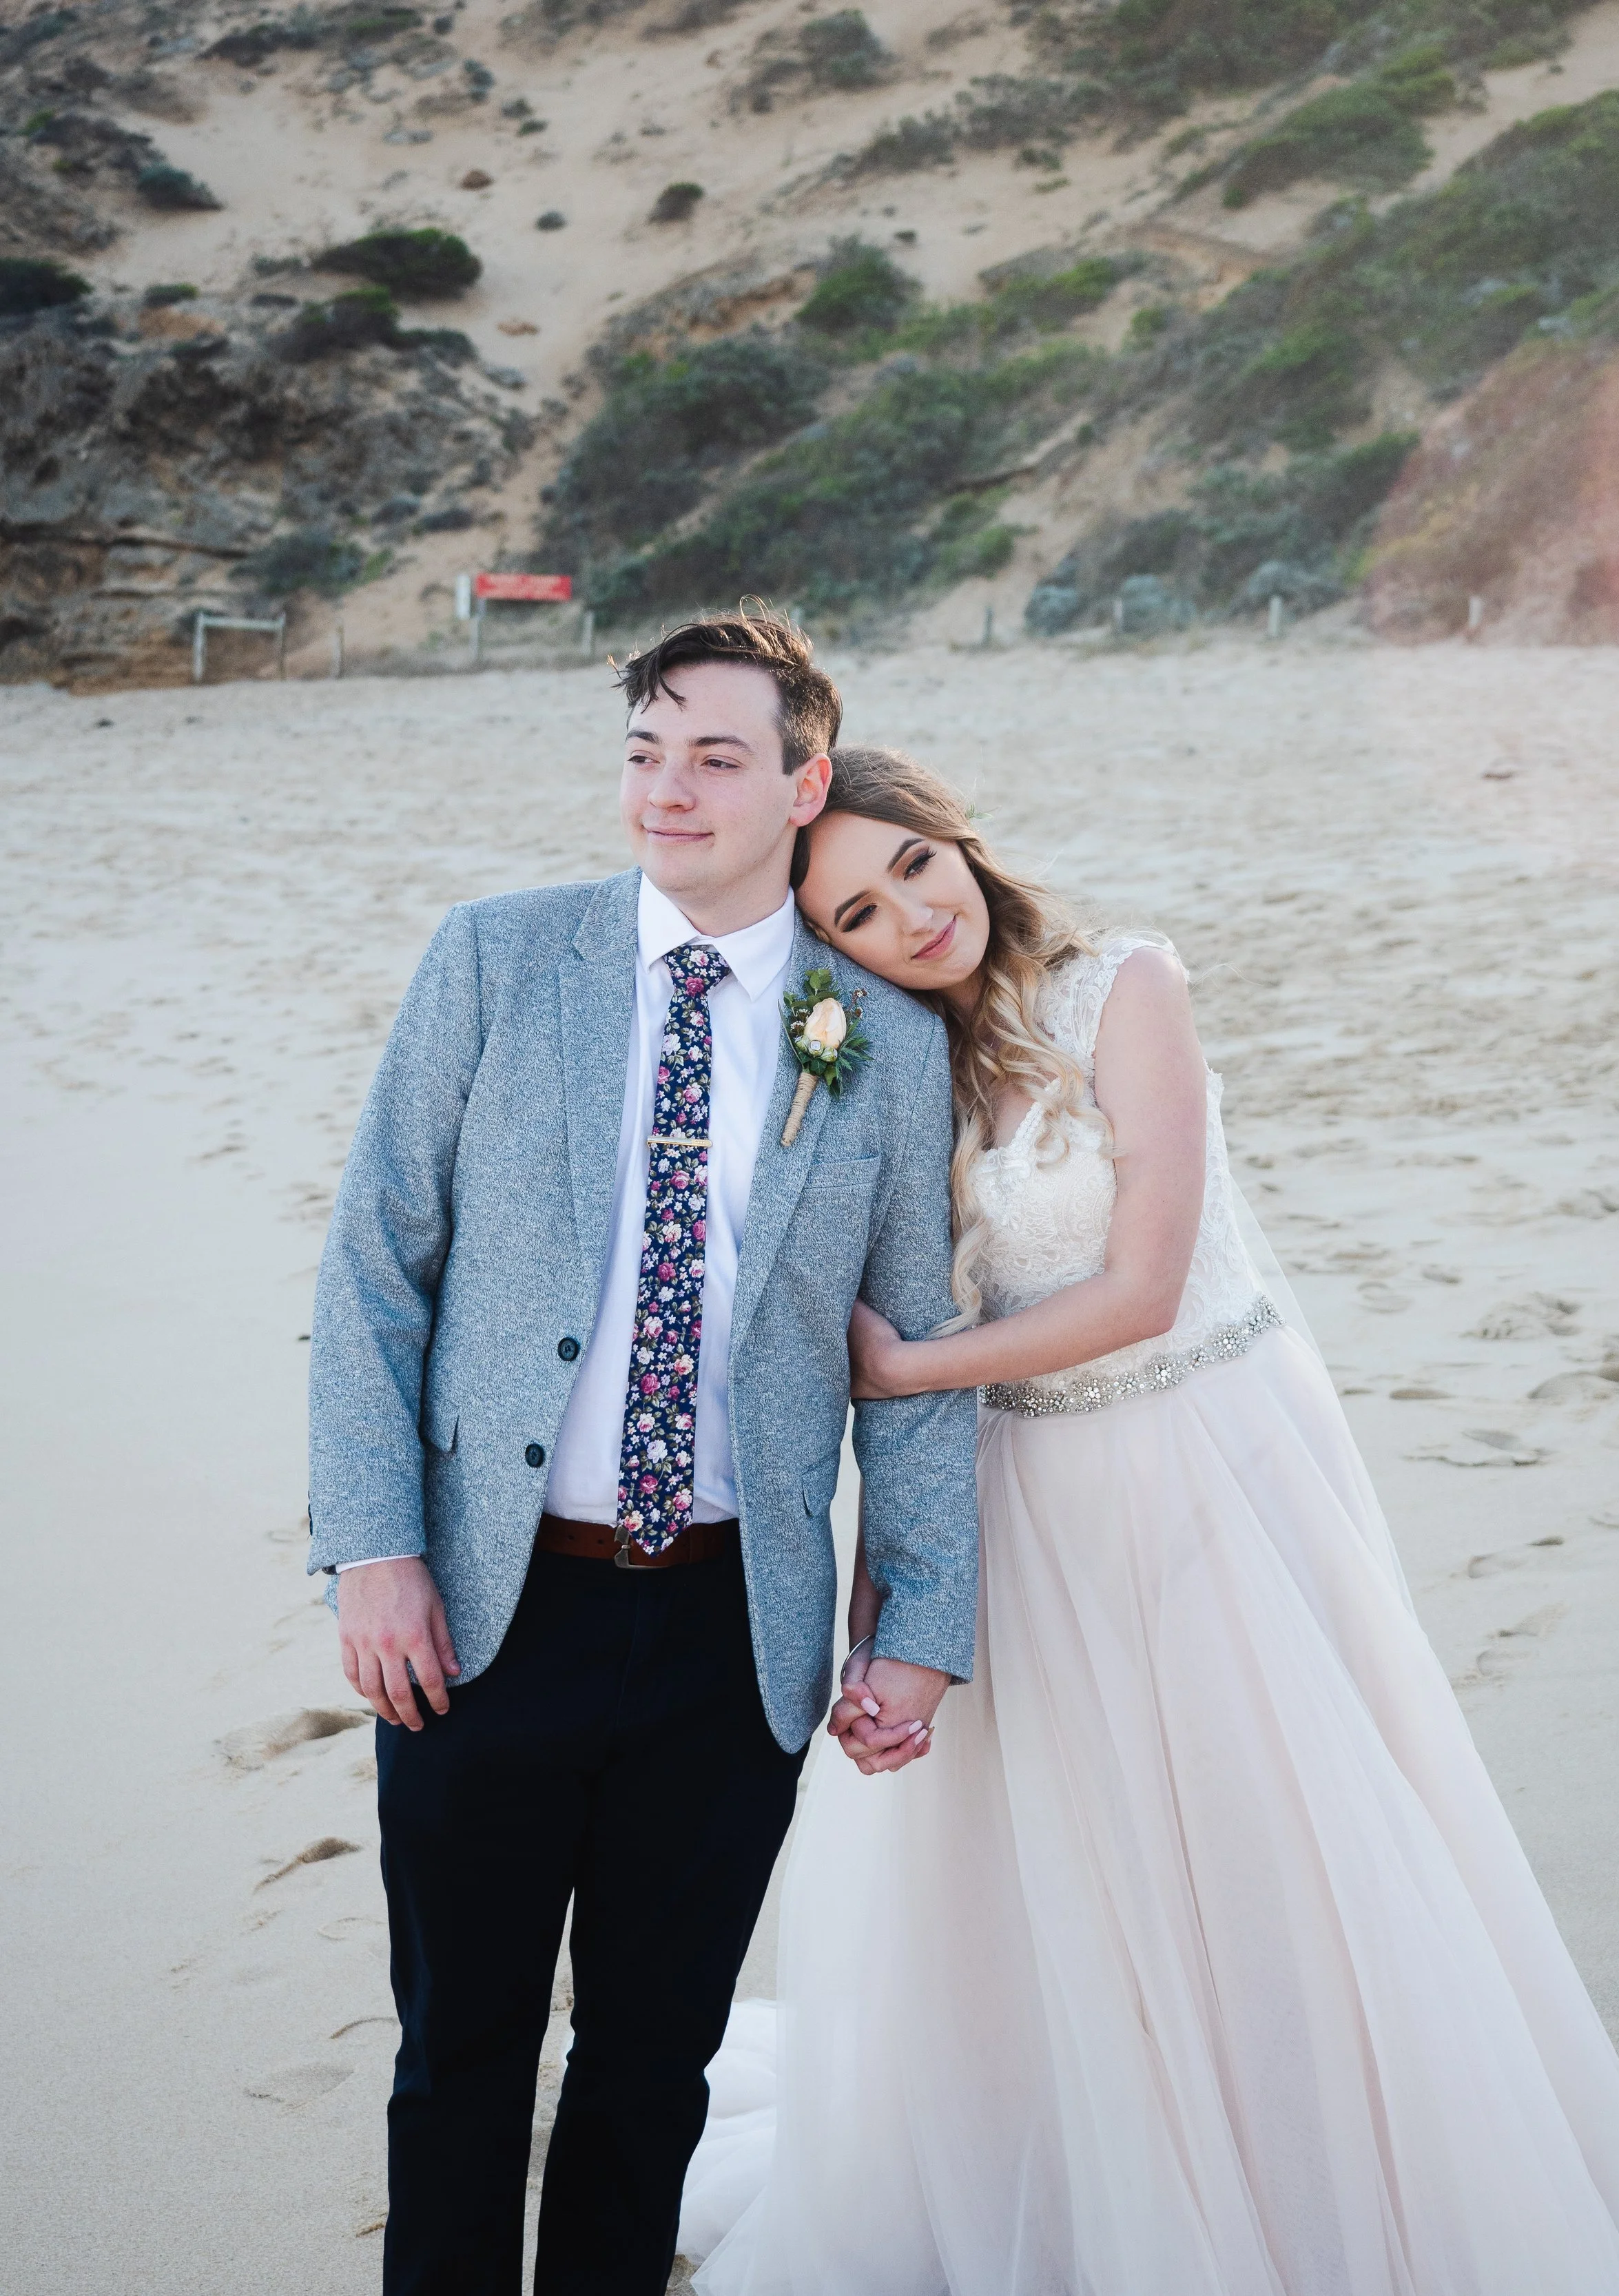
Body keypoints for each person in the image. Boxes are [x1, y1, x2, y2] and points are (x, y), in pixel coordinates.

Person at [682, 745, 1619, 2296]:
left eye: (913, 869)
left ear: (961, 842)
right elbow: (866, 1330)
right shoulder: (877, 1071)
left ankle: (1308, 2187)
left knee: (1264, 1837)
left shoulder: (1118, 987)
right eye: (858, 915)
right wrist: (889, 1562)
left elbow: (1139, 1286)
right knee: (1064, 1873)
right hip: (1027, 1507)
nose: (907, 920)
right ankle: (1106, 2193)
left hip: (1213, 1464)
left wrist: (912, 1363)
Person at [306, 624, 979, 2296]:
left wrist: (918, 1620)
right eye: (643, 751)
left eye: (715, 758)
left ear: (801, 783)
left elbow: (910, 1360)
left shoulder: (875, 1041)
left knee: (645, 2072)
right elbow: (374, 1264)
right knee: (455, 2059)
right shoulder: (491, 958)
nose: (666, 790)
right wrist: (373, 1545)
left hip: (724, 1636)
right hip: (481, 1611)